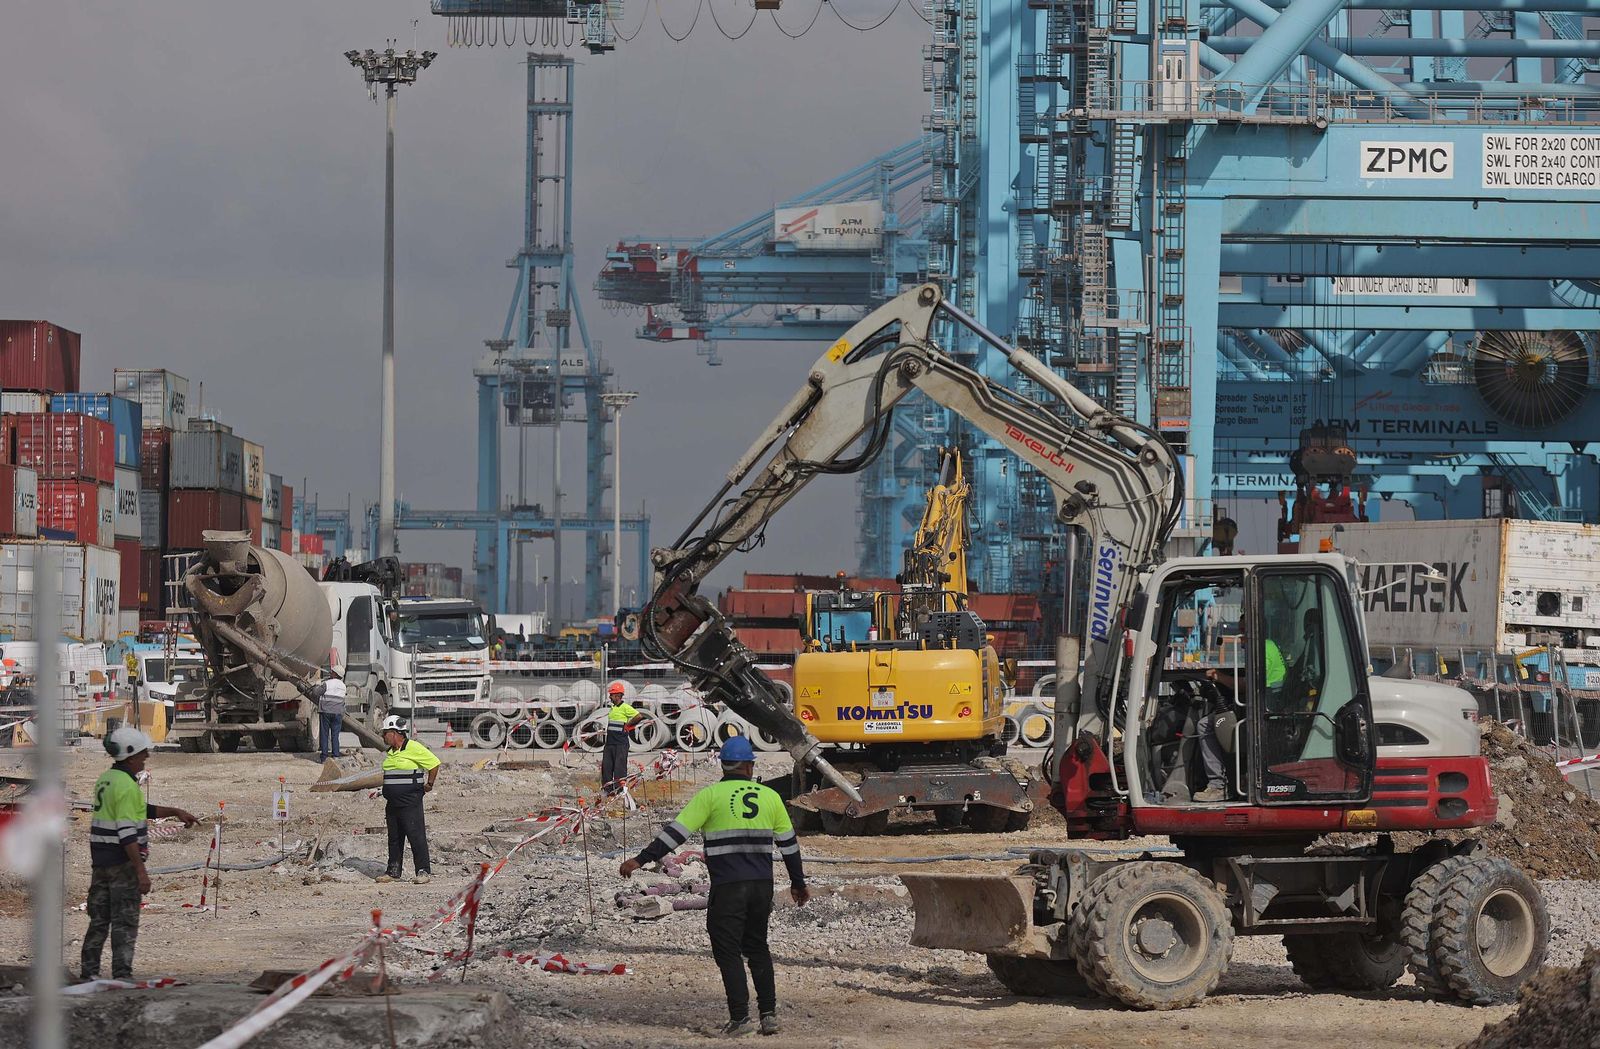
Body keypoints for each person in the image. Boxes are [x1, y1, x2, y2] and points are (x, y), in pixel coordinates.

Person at [620, 736, 809, 1037]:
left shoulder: (710, 796)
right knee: (757, 946)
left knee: (727, 949)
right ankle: (769, 1015)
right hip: (762, 886)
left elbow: (675, 834)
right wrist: (798, 883)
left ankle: (739, 1019)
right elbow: (789, 846)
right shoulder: (770, 796)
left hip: (729, 886)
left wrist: (642, 859)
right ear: (749, 766)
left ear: (723, 765)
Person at [82, 727, 198, 981]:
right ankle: (122, 976)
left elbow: (138, 809)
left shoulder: (108, 779)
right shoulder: (126, 785)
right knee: (124, 922)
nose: (146, 757)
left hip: (100, 862)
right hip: (122, 864)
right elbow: (126, 832)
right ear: (131, 755)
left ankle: (88, 974)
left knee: (99, 921)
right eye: (143, 753)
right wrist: (140, 871)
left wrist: (174, 810)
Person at [1194, 637, 1286, 803]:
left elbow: (1247, 685)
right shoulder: (1268, 646)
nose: (1241, 639)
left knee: (1205, 726)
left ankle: (1218, 785)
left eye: (1244, 631)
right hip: (1264, 704)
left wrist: (1218, 676)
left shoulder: (1262, 649)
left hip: (1263, 710)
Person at [377, 715, 440, 884]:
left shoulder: (413, 747)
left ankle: (423, 871)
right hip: (393, 802)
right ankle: (393, 871)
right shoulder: (390, 753)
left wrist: (430, 784)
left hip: (410, 801)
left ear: (395, 733)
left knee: (416, 835)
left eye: (385, 733)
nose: (383, 736)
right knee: (395, 838)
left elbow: (434, 764)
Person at [601, 682, 644, 795]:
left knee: (619, 768)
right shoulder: (613, 708)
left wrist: (628, 725)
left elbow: (639, 716)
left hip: (620, 743)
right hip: (610, 743)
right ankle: (607, 790)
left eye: (612, 694)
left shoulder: (625, 707)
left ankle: (619, 790)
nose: (610, 697)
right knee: (607, 767)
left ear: (618, 696)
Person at [315, 669, 347, 763]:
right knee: (335, 735)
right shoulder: (343, 686)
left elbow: (316, 693)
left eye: (332, 671)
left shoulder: (327, 683)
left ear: (335, 674)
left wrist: (317, 685)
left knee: (324, 734)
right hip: (338, 714)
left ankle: (324, 757)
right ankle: (335, 756)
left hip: (326, 712)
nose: (330, 672)